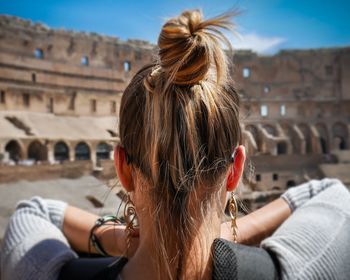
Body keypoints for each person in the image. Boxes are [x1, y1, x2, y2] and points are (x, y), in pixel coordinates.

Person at [1, 10, 350, 280]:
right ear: (235, 170)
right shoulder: (298, 269)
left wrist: (116, 238)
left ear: (122, 168)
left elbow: (34, 211)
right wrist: (226, 234)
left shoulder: (41, 272)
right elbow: (331, 193)